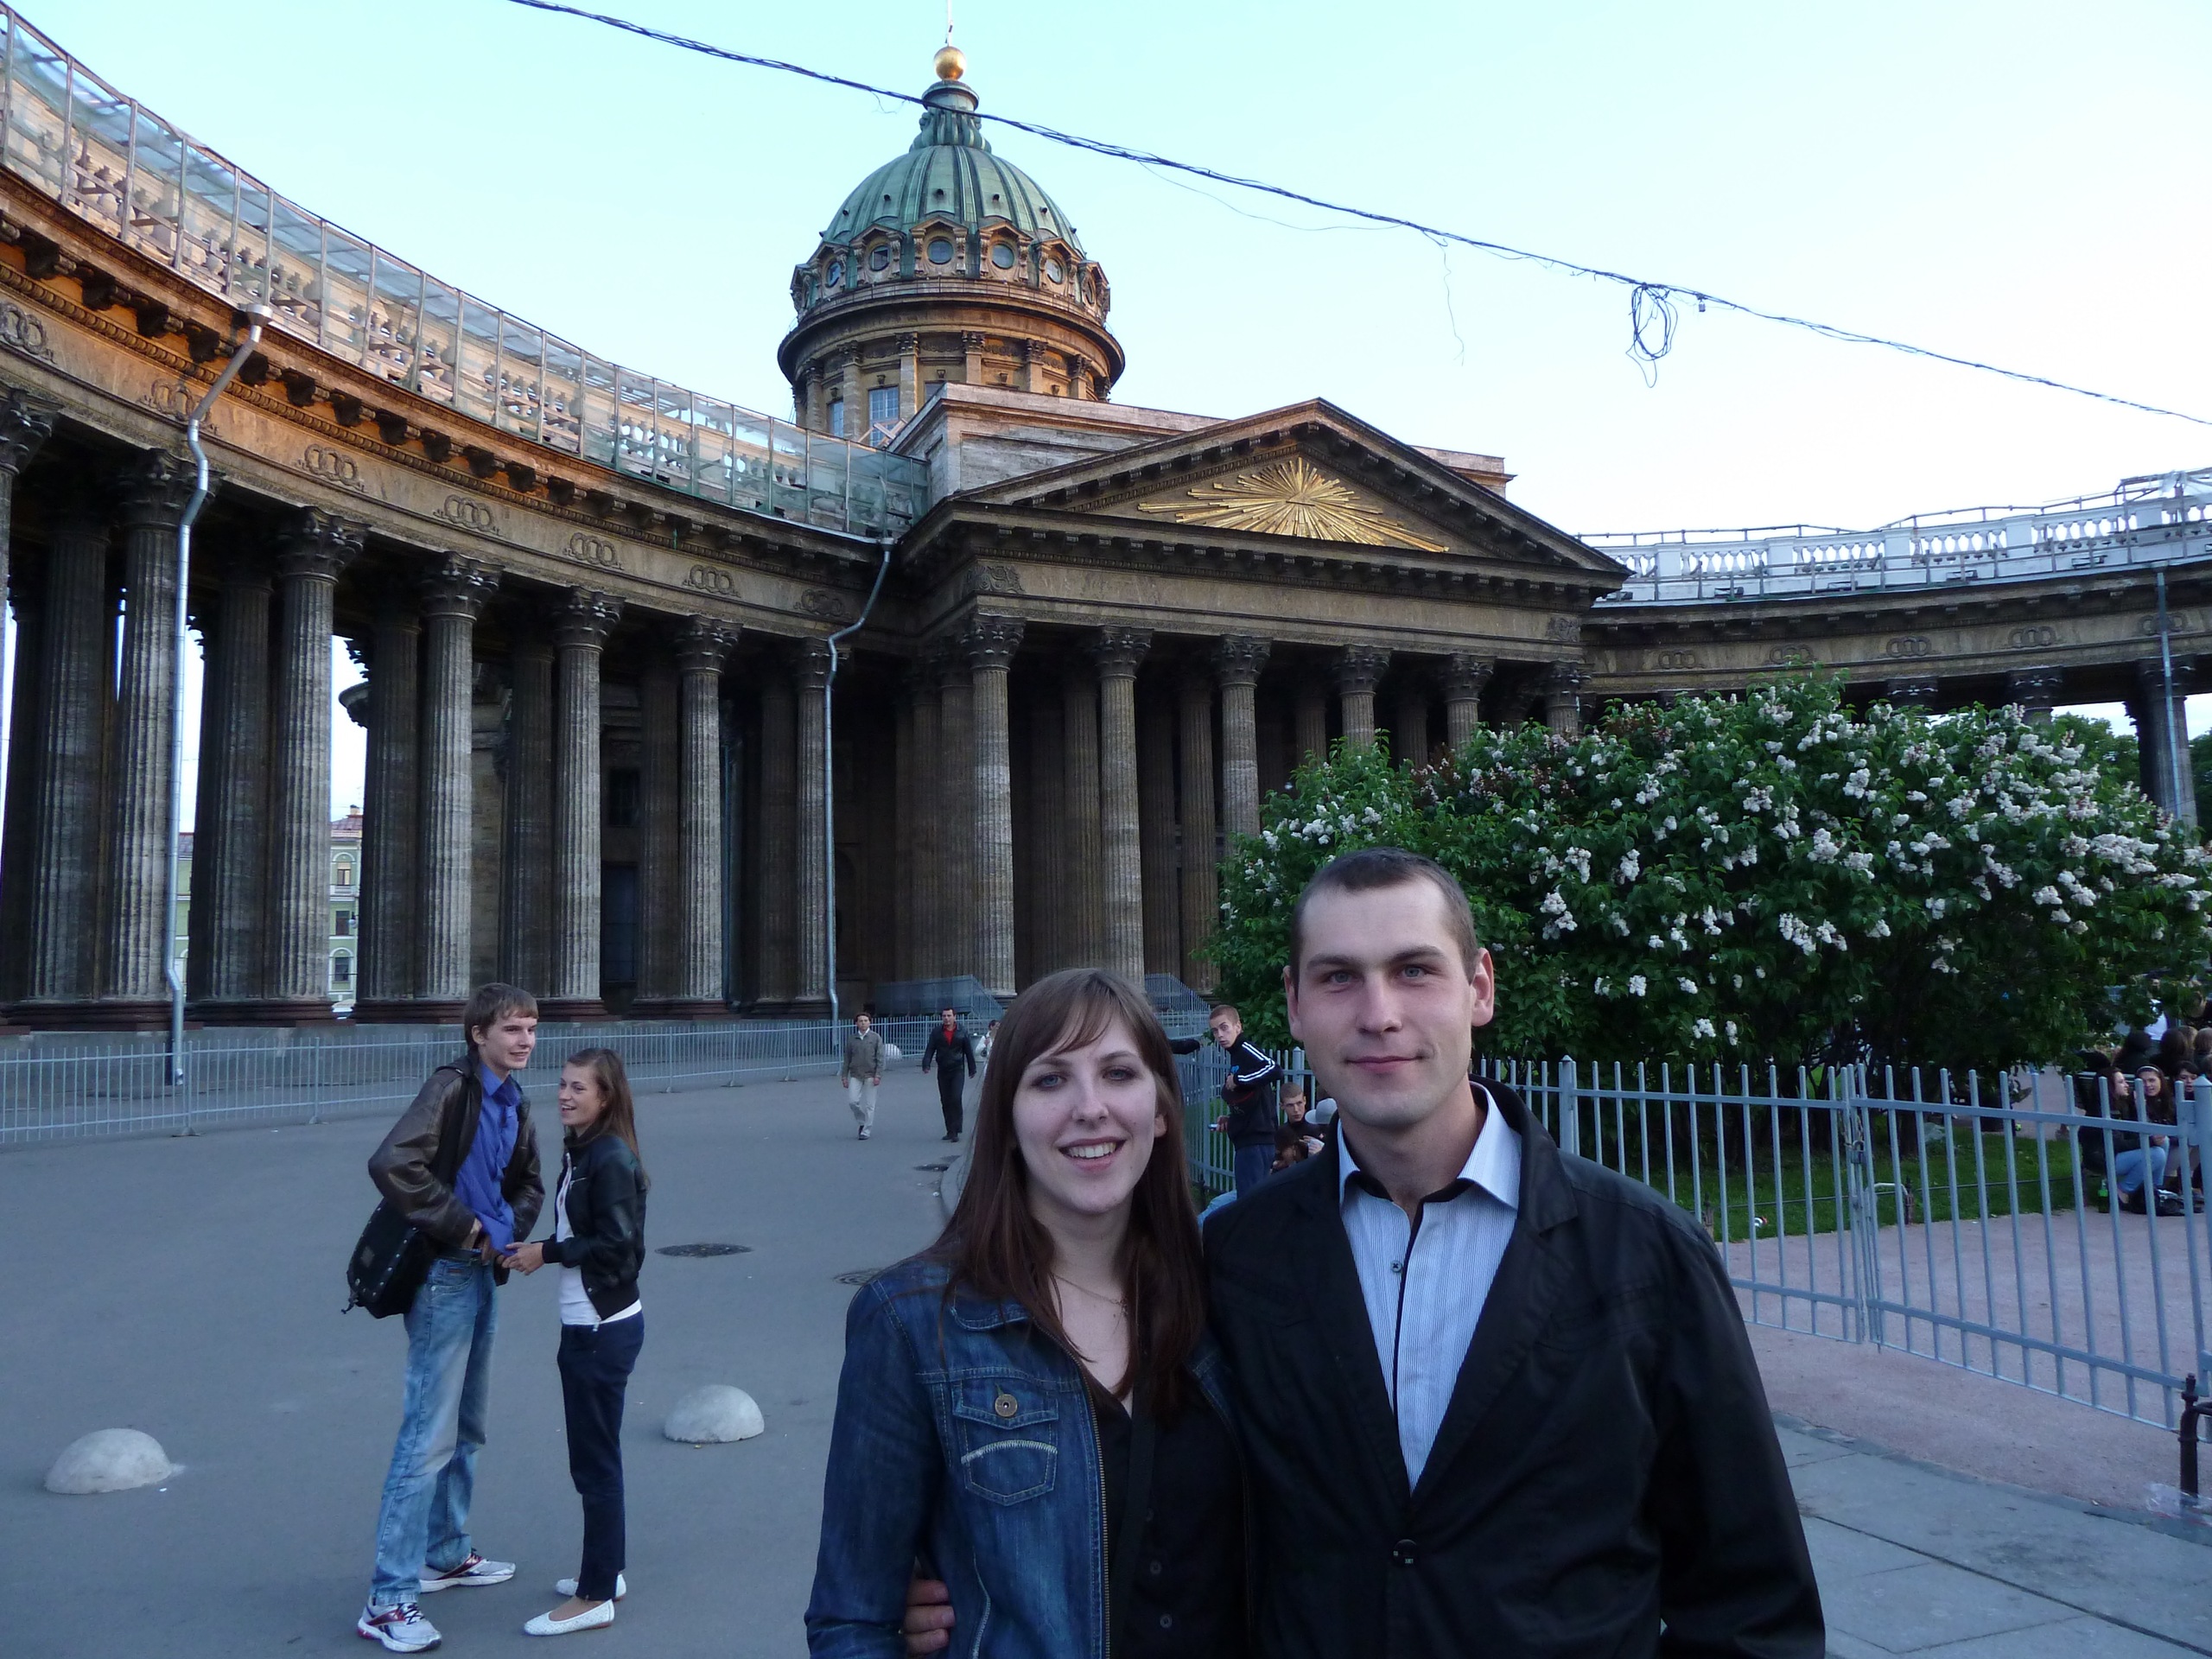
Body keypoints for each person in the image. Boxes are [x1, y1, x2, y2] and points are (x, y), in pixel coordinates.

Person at [1207, 846, 1820, 1656]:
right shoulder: (1237, 1254)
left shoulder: (1645, 1255)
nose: (1379, 1014)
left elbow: (1752, 1604)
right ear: (1293, 1005)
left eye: (1415, 970)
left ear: (1480, 988)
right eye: (1338, 977)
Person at [810, 967, 1245, 1658]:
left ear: (1162, 1110)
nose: (1090, 1108)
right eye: (1050, 1080)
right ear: (1008, 1122)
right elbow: (853, 1621)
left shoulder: (1231, 1296)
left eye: (1119, 1074)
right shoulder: (912, 1324)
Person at [358, 984, 546, 1653]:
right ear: (478, 1034)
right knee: (427, 1436)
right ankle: (388, 1599)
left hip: (483, 1272)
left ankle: (445, 1552)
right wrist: (467, 1228)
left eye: (531, 1029)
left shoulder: (514, 1099)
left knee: (468, 1426)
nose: (525, 1041)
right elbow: (392, 1162)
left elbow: (530, 1181)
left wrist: (505, 1231)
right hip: (443, 1275)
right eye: (512, 1029)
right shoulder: (451, 1089)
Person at [501, 1049, 648, 1637]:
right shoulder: (586, 1151)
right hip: (590, 1323)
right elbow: (580, 1229)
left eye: (578, 1088)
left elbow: (619, 1246)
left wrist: (549, 1252)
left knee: (594, 1463)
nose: (564, 1095)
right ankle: (605, 1571)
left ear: (605, 1097)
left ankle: (595, 1596)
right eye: (562, 1084)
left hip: (600, 1328)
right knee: (596, 1457)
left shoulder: (607, 1157)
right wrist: (538, 1247)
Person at [1206, 1003, 1281, 1197]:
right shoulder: (1236, 1056)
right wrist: (1231, 1119)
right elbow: (1251, 1099)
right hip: (1248, 1142)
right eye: (1215, 1031)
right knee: (1254, 1203)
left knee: (1250, 1205)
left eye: (1224, 1028)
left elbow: (1274, 1068)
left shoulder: (1245, 1048)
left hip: (1256, 1143)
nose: (1220, 1035)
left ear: (1238, 1027)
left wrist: (1238, 1079)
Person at [921, 1007, 976, 1142]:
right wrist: (926, 1064)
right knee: (945, 1100)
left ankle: (956, 1129)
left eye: (949, 1016)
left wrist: (972, 1068)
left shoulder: (962, 1031)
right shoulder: (937, 1032)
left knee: (956, 1098)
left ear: (954, 1017)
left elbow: (968, 1051)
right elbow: (930, 1049)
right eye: (944, 1016)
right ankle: (950, 1130)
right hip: (943, 1070)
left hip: (957, 1069)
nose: (946, 1018)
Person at [841, 1012, 887, 1141]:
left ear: (870, 1022)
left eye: (866, 1021)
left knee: (870, 1105)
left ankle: (866, 1131)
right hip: (856, 1074)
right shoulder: (852, 1039)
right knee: (853, 1101)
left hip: (871, 1075)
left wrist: (878, 1075)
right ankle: (862, 1121)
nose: (863, 1023)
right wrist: (844, 1076)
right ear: (856, 1023)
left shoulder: (875, 1038)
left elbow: (880, 1058)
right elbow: (847, 1058)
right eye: (860, 1021)